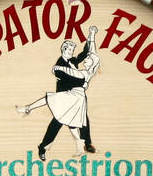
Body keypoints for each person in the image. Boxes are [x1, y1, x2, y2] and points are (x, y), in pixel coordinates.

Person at [17, 26, 100, 159]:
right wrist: (65, 71)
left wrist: (91, 35)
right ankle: (43, 147)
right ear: (63, 50)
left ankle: (87, 144)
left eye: (73, 49)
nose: (72, 51)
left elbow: (85, 53)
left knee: (83, 120)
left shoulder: (73, 62)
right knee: (57, 123)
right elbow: (66, 75)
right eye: (70, 49)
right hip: (65, 97)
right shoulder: (60, 62)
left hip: (76, 97)